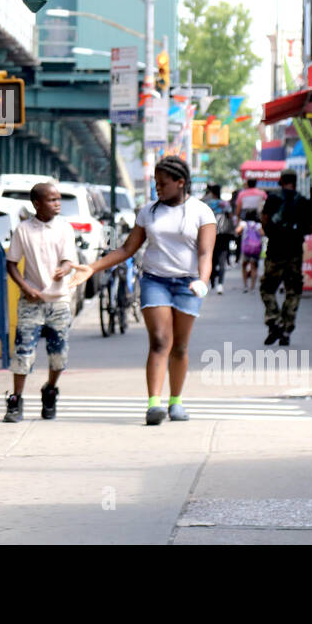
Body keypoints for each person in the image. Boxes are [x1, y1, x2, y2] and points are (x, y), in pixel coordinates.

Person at [77, 156, 215, 425]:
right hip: (155, 282)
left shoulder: (201, 212)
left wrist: (203, 280)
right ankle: (154, 404)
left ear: (180, 183)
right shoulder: (148, 211)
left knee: (180, 346)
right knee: (161, 341)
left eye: (163, 183)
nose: (158, 188)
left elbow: (206, 252)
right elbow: (127, 249)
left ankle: (176, 402)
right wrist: (92, 268)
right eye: (155, 182)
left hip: (188, 284)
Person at [3, 182, 79, 423]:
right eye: (52, 200)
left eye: (59, 199)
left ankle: (50, 390)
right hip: (31, 302)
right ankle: (16, 400)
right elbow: (11, 263)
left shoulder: (65, 228)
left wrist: (63, 270)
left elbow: (70, 261)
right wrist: (26, 288)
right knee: (23, 353)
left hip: (59, 301)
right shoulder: (23, 230)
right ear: (37, 203)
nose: (57, 204)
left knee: (59, 355)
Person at [260, 171, 312, 346]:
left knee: (267, 289)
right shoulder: (303, 201)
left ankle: (274, 319)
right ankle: (286, 328)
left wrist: (273, 233)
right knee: (293, 291)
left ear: (280, 181)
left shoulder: (272, 199)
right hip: (294, 253)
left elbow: (264, 220)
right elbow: (310, 227)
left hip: (275, 251)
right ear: (295, 182)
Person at [202, 183, 234, 294]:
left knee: (211, 258)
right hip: (224, 235)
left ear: (211, 192)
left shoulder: (206, 204)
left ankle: (211, 282)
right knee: (222, 260)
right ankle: (220, 284)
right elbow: (231, 217)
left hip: (210, 234)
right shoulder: (225, 204)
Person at [237, 208, 263, 291]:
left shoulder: (243, 223)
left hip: (246, 248)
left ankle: (245, 285)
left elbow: (237, 231)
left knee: (244, 265)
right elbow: (262, 233)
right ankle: (252, 286)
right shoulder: (258, 225)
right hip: (255, 248)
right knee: (253, 267)